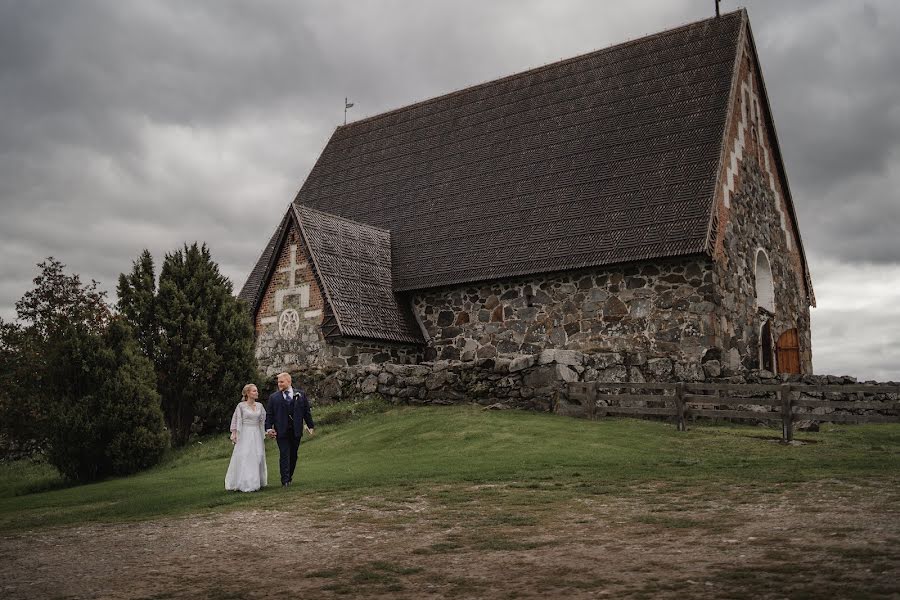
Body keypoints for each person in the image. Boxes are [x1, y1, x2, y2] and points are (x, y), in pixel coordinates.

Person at [265, 372, 315, 487]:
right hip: (281, 430)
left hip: (296, 430)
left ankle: (289, 476)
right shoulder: (274, 397)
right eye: (278, 382)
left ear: (289, 381)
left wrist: (310, 426)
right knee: (284, 454)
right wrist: (268, 429)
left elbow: (306, 412)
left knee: (293, 455)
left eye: (281, 382)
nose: (279, 384)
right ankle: (285, 480)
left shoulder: (300, 394)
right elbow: (270, 415)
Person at [225, 383, 268, 492]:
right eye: (254, 391)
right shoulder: (241, 406)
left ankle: (256, 480)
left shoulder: (260, 406)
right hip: (245, 433)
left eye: (257, 391)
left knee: (258, 455)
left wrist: (268, 431)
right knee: (246, 456)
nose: (257, 393)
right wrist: (234, 433)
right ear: (248, 393)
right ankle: (246, 483)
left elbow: (264, 420)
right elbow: (235, 420)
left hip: (256, 433)